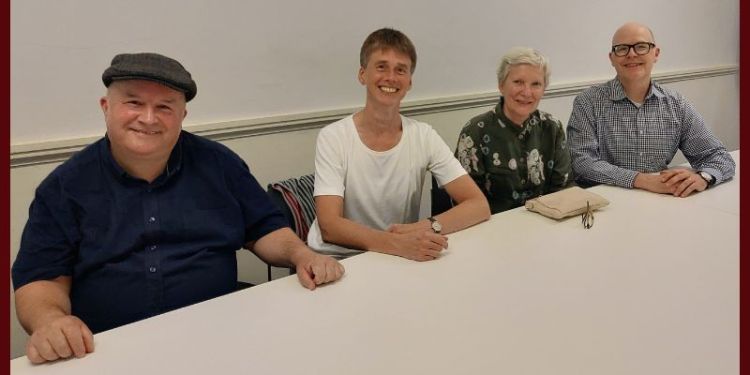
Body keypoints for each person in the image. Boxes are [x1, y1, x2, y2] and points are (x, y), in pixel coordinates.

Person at [11, 52, 345, 364]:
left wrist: (303, 254)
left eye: (165, 107)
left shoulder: (219, 164)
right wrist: (51, 321)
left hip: (222, 337)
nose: (148, 118)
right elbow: (41, 279)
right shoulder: (64, 187)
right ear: (106, 107)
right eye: (134, 102)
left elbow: (264, 229)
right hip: (108, 350)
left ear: (182, 115)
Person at [307, 28, 490, 261]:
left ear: (409, 82)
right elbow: (330, 226)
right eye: (381, 66)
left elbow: (478, 205)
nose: (391, 78)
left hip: (395, 257)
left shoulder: (423, 135)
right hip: (337, 258)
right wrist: (396, 243)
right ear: (362, 74)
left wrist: (427, 226)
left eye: (400, 70)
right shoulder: (333, 137)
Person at [566, 22, 735, 196]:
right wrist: (642, 180)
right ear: (612, 58)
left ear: (656, 54)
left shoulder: (676, 105)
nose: (631, 54)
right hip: (605, 203)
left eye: (641, 47)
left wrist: (704, 177)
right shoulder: (588, 102)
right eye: (622, 49)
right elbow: (583, 163)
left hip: (659, 202)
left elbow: (718, 157)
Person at [455, 47, 572, 214]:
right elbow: (465, 201)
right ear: (501, 85)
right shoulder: (475, 132)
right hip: (491, 228)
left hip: (546, 222)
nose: (526, 92)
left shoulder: (552, 127)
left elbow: (563, 187)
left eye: (536, 84)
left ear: (544, 89)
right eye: (518, 82)